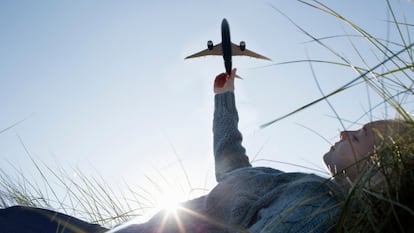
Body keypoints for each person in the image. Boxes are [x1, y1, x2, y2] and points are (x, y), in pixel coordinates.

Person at [1, 68, 413, 232]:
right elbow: (232, 166)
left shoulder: (318, 208)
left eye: (359, 135)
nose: (345, 130)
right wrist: (224, 98)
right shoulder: (300, 185)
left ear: (377, 172)